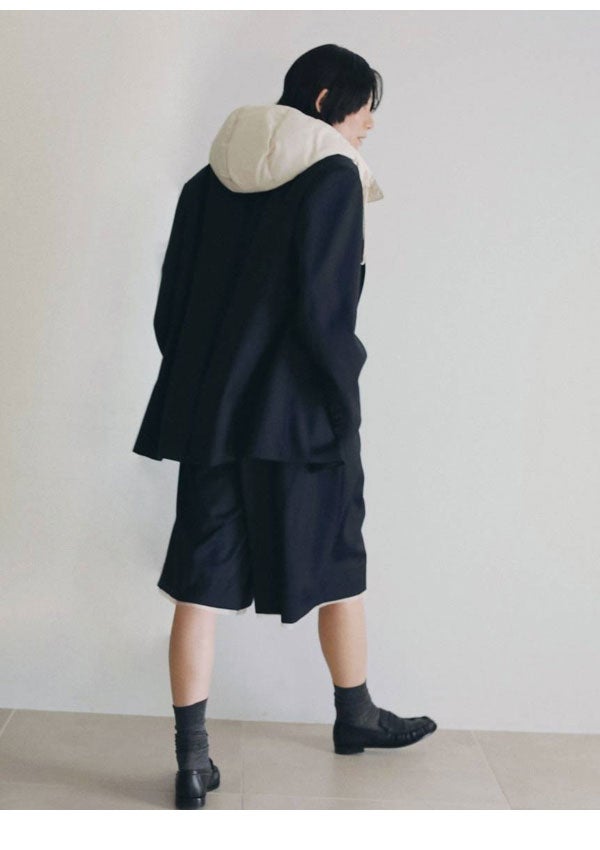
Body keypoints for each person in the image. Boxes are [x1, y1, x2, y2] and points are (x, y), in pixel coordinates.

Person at [132, 44, 437, 810]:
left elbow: (171, 307)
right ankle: (354, 714)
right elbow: (324, 313)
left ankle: (192, 760)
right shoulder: (333, 176)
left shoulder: (206, 181)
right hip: (299, 416)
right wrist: (342, 401)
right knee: (337, 556)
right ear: (328, 99)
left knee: (200, 579)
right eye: (364, 108)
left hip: (213, 414)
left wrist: (209, 383)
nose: (369, 124)